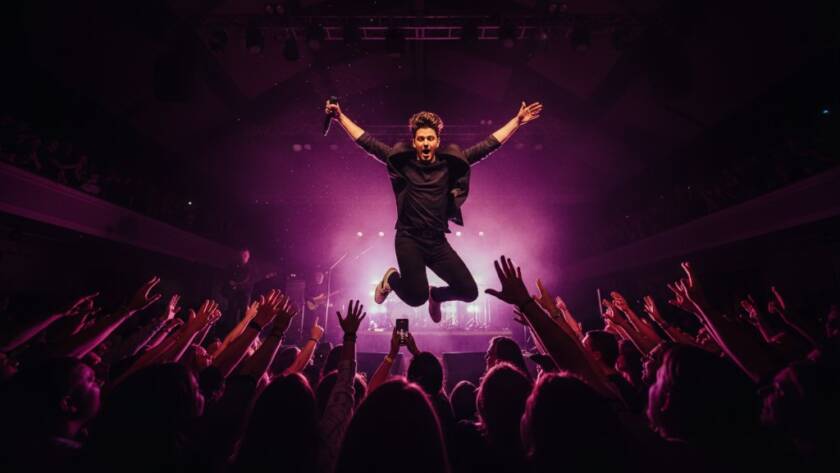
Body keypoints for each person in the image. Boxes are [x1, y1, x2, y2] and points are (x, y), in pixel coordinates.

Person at [326, 100, 543, 322]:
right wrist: (340, 117)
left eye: (430, 138)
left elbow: (488, 145)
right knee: (416, 298)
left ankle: (436, 295)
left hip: (437, 243)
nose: (426, 143)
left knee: (469, 292)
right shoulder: (403, 163)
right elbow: (367, 142)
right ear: (414, 142)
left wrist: (516, 122)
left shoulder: (450, 164)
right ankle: (391, 279)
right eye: (421, 139)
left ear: (437, 141)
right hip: (408, 239)